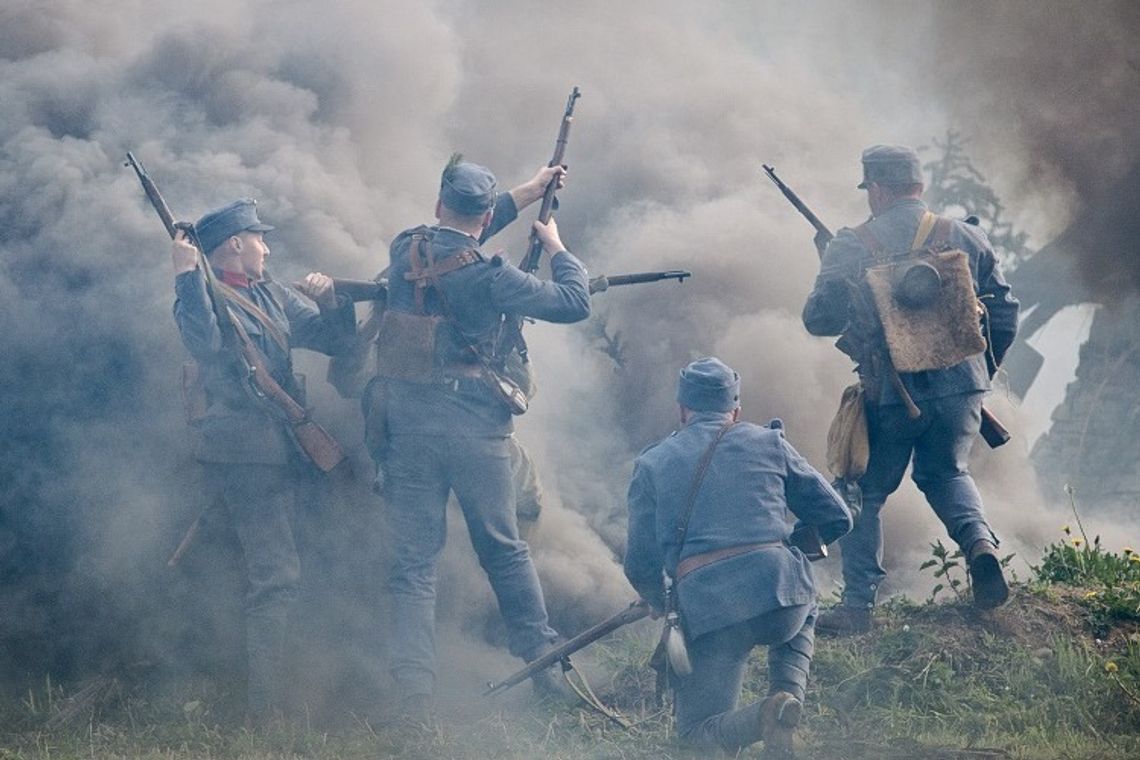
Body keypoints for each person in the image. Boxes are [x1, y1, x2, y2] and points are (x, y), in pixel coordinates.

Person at [373, 156, 588, 717]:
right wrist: (558, 247)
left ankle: (413, 696)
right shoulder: (493, 277)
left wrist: (530, 190)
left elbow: (457, 238)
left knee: (413, 567)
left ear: (440, 204)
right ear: (486, 213)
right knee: (504, 552)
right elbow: (574, 302)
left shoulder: (406, 249)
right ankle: (544, 673)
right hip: (475, 433)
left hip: (410, 430)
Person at [802, 145, 1020, 635]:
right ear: (917, 186)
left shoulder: (853, 243)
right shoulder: (965, 235)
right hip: (963, 387)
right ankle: (981, 546)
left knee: (862, 490)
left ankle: (858, 607)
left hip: (891, 395)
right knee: (946, 472)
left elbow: (819, 320)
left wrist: (835, 272)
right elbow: (1004, 312)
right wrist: (978, 373)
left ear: (877, 189)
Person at [171, 198, 357, 721]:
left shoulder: (270, 293)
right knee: (275, 577)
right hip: (244, 455)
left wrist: (333, 300)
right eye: (259, 238)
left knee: (279, 572)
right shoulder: (202, 295)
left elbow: (337, 344)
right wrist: (187, 275)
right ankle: (265, 713)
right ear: (235, 244)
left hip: (283, 450)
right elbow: (205, 347)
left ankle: (279, 690)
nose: (266, 247)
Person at [624, 357, 852, 757]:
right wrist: (790, 550)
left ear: (682, 409)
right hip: (782, 603)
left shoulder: (652, 462)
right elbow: (837, 517)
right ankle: (786, 701)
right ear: (736, 410)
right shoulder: (770, 442)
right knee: (804, 595)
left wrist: (660, 601)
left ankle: (764, 716)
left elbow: (639, 564)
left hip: (712, 614)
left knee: (696, 736)